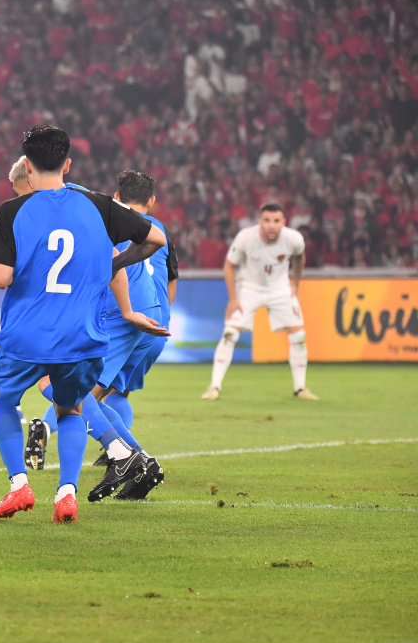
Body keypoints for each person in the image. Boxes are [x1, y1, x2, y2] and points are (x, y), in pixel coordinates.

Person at [0, 125, 166, 523]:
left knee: (2, 396)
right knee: (69, 408)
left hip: (27, 334)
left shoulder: (12, 211)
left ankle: (19, 486)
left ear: (27, 168)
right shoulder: (99, 206)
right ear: (67, 164)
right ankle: (67, 493)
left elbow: (0, 278)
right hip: (82, 335)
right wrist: (113, 263)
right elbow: (154, 238)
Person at [101, 170, 179, 500]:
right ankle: (118, 454)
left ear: (116, 197)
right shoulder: (159, 230)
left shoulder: (110, 225)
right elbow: (172, 282)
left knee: (80, 395)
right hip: (156, 323)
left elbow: (109, 272)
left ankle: (133, 458)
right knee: (119, 391)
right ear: (152, 201)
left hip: (126, 319)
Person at [202, 202, 317, 400]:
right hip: (249, 288)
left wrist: (295, 284)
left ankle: (300, 389)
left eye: (276, 221)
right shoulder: (246, 238)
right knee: (230, 333)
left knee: (298, 337)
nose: (272, 225)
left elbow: (300, 257)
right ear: (260, 222)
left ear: (284, 222)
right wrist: (233, 299)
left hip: (280, 289)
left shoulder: (294, 239)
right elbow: (229, 266)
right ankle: (214, 388)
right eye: (267, 221)